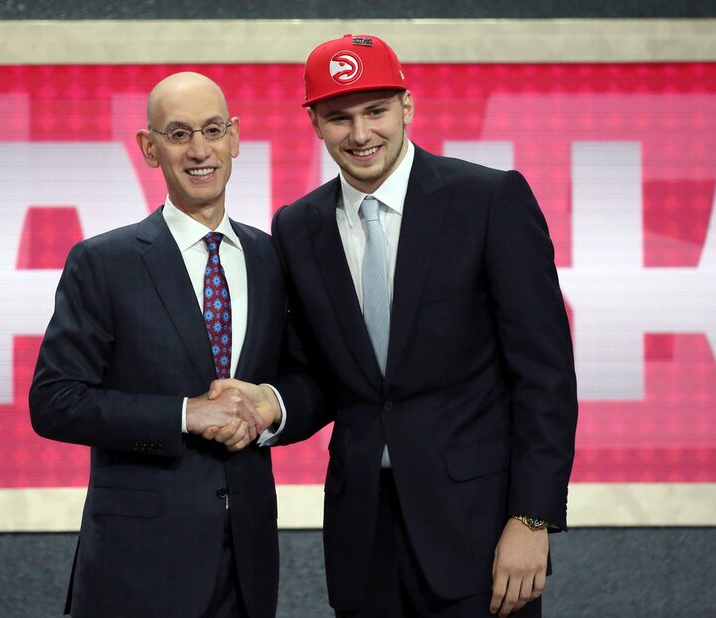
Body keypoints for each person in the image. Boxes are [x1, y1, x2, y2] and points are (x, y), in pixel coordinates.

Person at [210, 34, 578, 617]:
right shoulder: (299, 228)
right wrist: (271, 403)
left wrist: (531, 519)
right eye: (339, 118)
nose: (360, 135)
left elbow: (545, 376)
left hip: (479, 534)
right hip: (362, 540)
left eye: (375, 111)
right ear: (314, 123)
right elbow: (321, 377)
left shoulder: (488, 199)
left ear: (406, 106)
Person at [29, 72, 286, 618]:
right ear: (150, 147)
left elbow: (313, 381)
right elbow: (54, 401)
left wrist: (273, 405)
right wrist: (183, 414)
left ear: (235, 138)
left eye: (212, 130)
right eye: (178, 133)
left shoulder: (273, 259)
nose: (199, 150)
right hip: (136, 566)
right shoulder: (104, 262)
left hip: (248, 560)